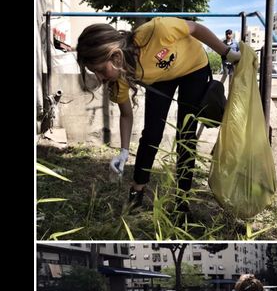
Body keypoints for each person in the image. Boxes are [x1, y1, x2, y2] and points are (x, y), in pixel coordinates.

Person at [75, 18, 241, 215]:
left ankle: (182, 201)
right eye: (95, 72)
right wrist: (124, 152)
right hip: (161, 77)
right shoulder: (120, 77)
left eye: (101, 70)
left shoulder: (156, 31)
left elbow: (195, 28)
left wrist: (227, 53)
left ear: (116, 56)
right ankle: (136, 194)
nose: (100, 78)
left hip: (193, 66)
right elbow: (126, 115)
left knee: (186, 135)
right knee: (152, 134)